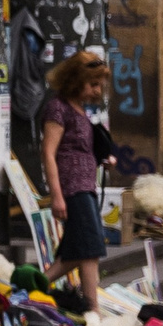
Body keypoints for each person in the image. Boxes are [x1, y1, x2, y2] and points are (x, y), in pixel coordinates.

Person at [39, 47, 115, 309]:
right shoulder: (57, 109)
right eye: (93, 84)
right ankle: (93, 309)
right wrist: (57, 196)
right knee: (90, 248)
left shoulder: (80, 111)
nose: (97, 90)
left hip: (86, 187)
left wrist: (102, 158)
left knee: (76, 252)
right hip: (73, 188)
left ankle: (31, 287)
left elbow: (80, 149)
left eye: (99, 85)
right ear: (75, 79)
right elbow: (48, 153)